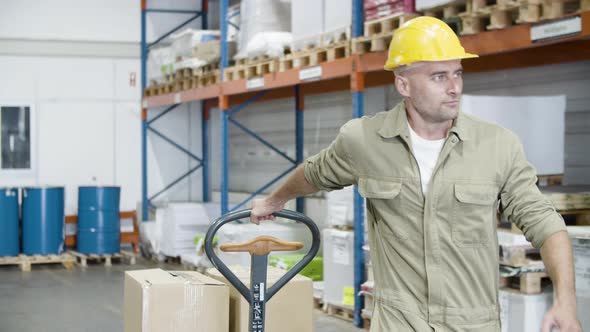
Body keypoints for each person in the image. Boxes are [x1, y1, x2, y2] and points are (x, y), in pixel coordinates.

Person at [250, 16, 581, 332]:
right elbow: (314, 172)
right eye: (439, 76)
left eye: (458, 73)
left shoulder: (498, 145)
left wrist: (566, 302)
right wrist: (275, 199)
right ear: (403, 84)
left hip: (472, 323)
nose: (454, 87)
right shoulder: (364, 140)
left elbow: (545, 224)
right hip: (399, 322)